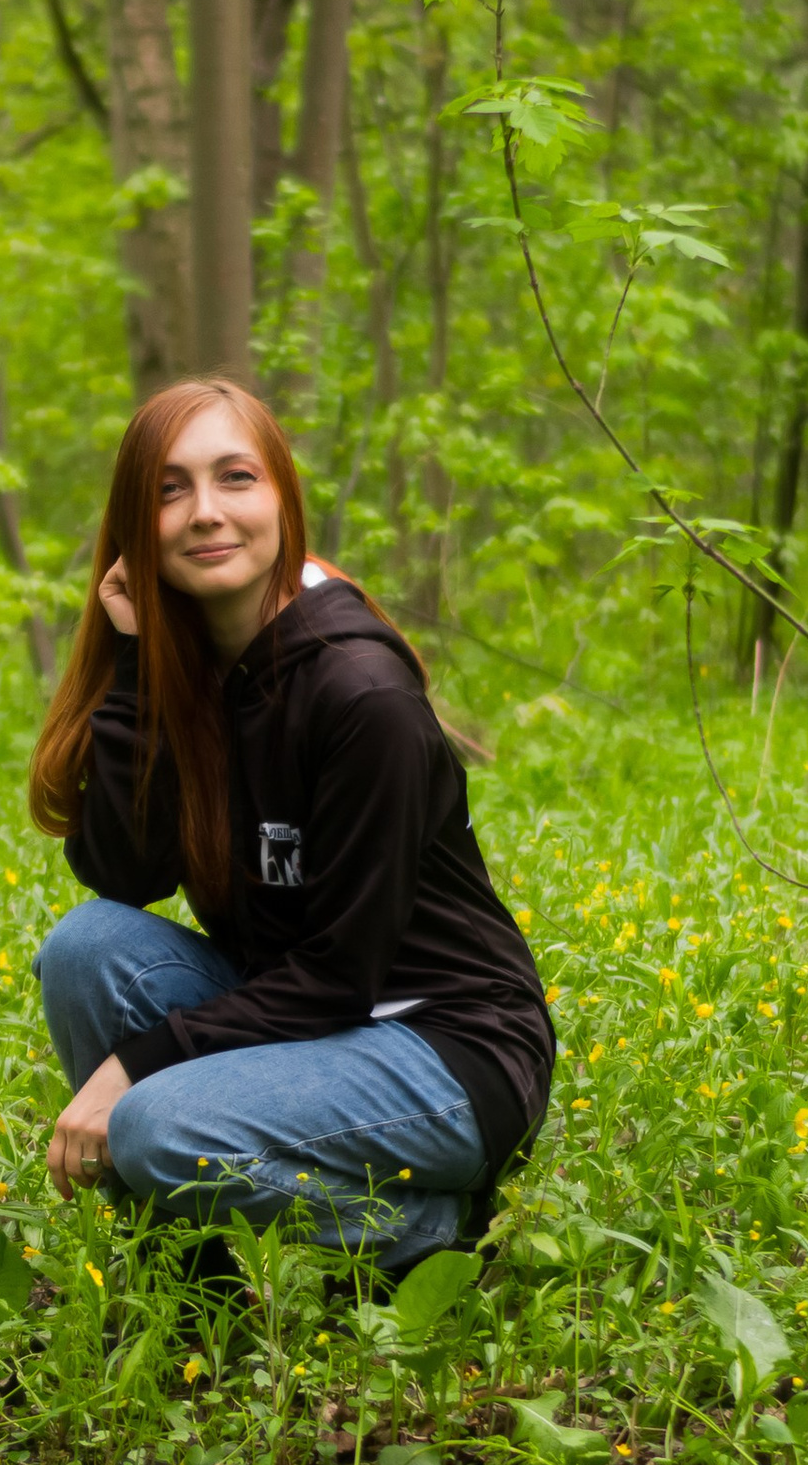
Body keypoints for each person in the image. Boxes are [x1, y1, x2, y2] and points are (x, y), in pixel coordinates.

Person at [27, 379, 554, 1271]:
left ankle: (425, 1232)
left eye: (236, 478)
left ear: (282, 500)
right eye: (169, 489)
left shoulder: (359, 694)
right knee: (87, 949)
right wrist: (135, 664)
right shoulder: (193, 661)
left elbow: (341, 976)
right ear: (133, 525)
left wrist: (133, 1069)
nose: (205, 513)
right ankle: (195, 1265)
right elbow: (124, 873)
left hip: (447, 1049)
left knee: (153, 1121)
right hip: (315, 1024)